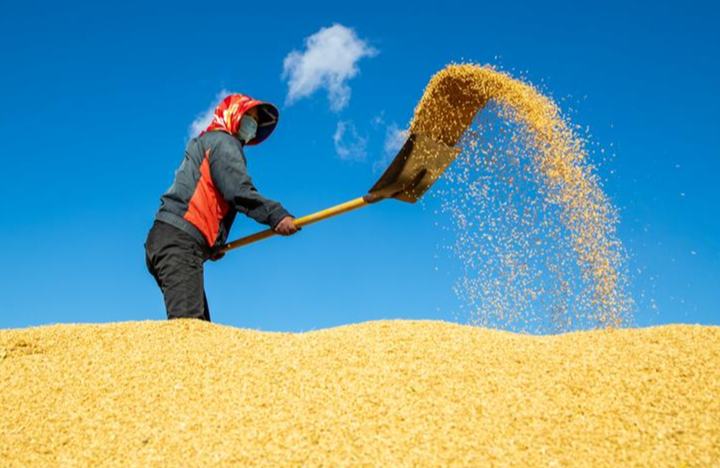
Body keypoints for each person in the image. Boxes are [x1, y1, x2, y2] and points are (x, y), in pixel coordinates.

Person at [144, 94, 299, 322]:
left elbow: (209, 196)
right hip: (179, 241)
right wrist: (276, 216)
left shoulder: (208, 143)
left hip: (174, 241)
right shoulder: (223, 142)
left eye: (255, 122)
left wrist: (212, 243)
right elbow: (237, 190)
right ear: (234, 114)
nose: (253, 126)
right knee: (189, 330)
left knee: (200, 328)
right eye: (249, 117)